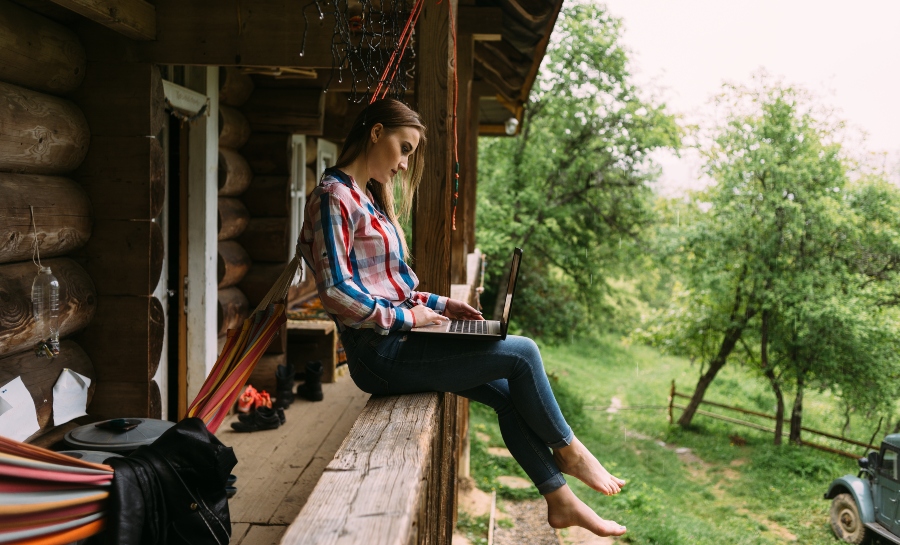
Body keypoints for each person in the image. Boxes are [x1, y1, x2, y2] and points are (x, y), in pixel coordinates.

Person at [298, 98, 627, 538]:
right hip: (379, 352)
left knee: (510, 393)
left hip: (398, 340)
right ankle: (569, 450)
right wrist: (412, 320)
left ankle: (560, 500)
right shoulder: (333, 197)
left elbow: (387, 286)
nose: (404, 163)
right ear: (376, 133)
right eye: (405, 148)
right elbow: (337, 292)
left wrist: (438, 305)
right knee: (523, 353)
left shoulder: (368, 198)